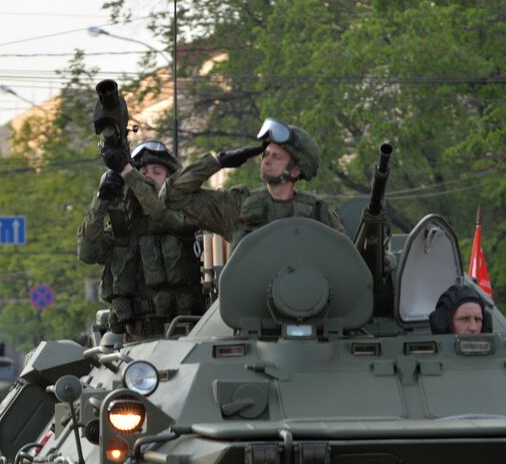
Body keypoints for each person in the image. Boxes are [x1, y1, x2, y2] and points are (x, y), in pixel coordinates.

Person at [77, 140, 203, 339]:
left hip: (183, 334)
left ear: (170, 178)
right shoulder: (122, 231)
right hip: (131, 338)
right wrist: (101, 199)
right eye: (142, 172)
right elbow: (87, 253)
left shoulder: (185, 221)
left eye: (156, 171)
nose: (148, 177)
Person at [160, 119, 345, 244]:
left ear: (296, 170)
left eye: (277, 157)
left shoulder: (318, 214)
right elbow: (172, 195)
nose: (267, 160)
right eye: (266, 155)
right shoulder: (237, 206)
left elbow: (343, 259)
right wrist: (218, 161)